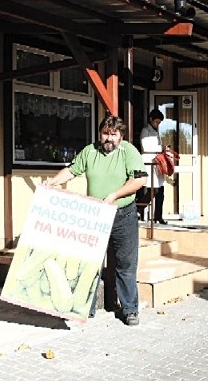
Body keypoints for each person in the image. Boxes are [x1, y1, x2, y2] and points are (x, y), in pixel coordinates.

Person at [43, 115, 147, 326]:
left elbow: (139, 179)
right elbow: (72, 171)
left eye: (113, 134)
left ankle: (129, 310)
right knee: (89, 263)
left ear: (121, 136)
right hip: (95, 215)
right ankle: (84, 309)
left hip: (122, 215)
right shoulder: (90, 151)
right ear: (100, 134)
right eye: (105, 134)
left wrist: (114, 196)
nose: (109, 139)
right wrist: (52, 182)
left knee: (125, 264)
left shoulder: (129, 151)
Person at [137, 108, 167, 225]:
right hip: (148, 162)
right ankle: (138, 208)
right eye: (156, 122)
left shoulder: (156, 131)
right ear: (151, 120)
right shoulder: (145, 131)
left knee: (160, 192)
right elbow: (146, 147)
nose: (158, 124)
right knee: (153, 190)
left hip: (157, 163)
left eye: (159, 122)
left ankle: (158, 216)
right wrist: (161, 148)